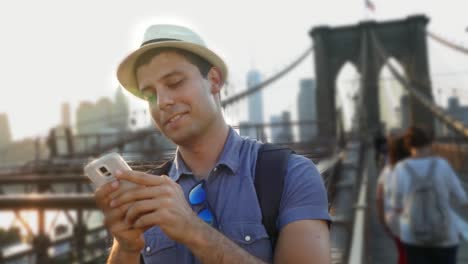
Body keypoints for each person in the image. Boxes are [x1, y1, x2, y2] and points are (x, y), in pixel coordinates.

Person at [94, 24, 331, 263]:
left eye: (175, 82)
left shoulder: (291, 174)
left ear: (214, 81)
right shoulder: (147, 197)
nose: (162, 101)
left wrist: (193, 231)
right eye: (149, 95)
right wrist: (125, 248)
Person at [391, 126, 468, 264]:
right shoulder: (443, 165)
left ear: (408, 145)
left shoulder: (400, 169)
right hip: (445, 236)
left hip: (413, 237)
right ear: (430, 143)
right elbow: (463, 199)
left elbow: (396, 206)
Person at [376, 134, 409, 264]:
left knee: (403, 254)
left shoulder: (387, 170)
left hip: (393, 220)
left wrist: (382, 221)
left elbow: (379, 198)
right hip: (414, 220)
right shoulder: (411, 168)